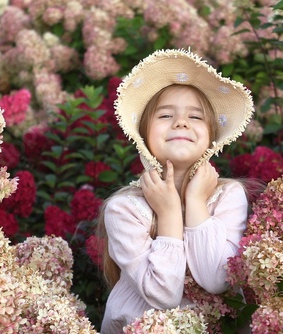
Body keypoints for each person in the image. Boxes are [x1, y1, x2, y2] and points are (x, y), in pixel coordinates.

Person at [98, 49, 255, 333]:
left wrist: (195, 202)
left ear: (212, 135)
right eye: (166, 114)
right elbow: (164, 295)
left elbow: (216, 279)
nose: (180, 122)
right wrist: (168, 213)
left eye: (195, 117)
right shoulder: (124, 208)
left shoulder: (228, 196)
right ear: (143, 133)